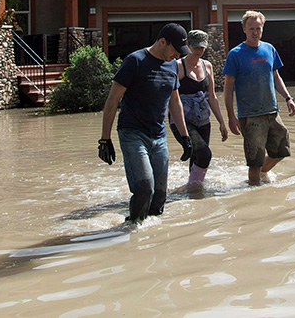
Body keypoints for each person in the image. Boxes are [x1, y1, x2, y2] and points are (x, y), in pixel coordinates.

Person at [98, 23, 192, 223]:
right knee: (144, 189)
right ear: (162, 42)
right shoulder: (135, 61)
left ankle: (151, 238)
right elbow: (113, 100)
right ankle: (131, 231)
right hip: (133, 133)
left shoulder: (173, 66)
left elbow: (175, 102)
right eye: (175, 50)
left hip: (159, 135)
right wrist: (105, 139)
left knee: (159, 196)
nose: (177, 55)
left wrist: (185, 137)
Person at [222, 10, 295, 185]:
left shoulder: (269, 49)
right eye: (251, 29)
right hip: (250, 115)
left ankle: (262, 174)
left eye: (258, 28)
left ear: (262, 28)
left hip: (272, 111)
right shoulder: (235, 54)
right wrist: (231, 116)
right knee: (254, 161)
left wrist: (288, 98)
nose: (255, 32)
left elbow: (276, 77)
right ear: (244, 29)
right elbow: (228, 88)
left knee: (281, 150)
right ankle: (253, 191)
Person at [169, 29, 228, 191]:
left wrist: (222, 123)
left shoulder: (207, 66)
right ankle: (195, 188)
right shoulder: (178, 66)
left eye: (202, 48)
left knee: (197, 157)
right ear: (188, 45)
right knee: (204, 154)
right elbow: (169, 98)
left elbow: (212, 97)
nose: (199, 51)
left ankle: (193, 190)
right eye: (195, 47)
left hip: (202, 118)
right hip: (182, 119)